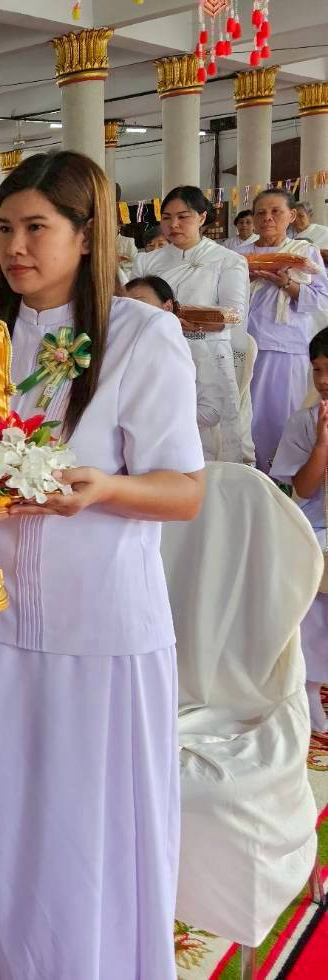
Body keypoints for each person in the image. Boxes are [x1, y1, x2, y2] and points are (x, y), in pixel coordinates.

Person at [0, 150, 205, 979]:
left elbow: (184, 492)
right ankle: (27, 959)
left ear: (86, 235)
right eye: (3, 229)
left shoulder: (140, 335)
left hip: (96, 621)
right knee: (5, 816)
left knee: (88, 823)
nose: (14, 247)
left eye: (35, 228)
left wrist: (102, 489)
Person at [134, 184, 250, 461]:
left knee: (214, 431)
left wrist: (188, 319)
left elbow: (234, 313)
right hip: (158, 354)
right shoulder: (147, 262)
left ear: (202, 217)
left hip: (208, 352)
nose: (173, 224)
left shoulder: (227, 260)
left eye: (183, 216)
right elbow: (133, 307)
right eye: (166, 217)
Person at [267, 327, 328, 734]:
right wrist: (322, 444)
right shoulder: (305, 422)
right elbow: (301, 490)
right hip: (318, 523)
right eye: (316, 370)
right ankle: (309, 685)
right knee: (309, 574)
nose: (322, 380)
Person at [241, 188, 328, 472]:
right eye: (260, 212)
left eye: (275, 211)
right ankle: (248, 474)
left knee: (279, 417)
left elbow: (322, 299)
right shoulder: (238, 255)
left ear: (291, 216)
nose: (267, 218)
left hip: (284, 347)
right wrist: (245, 276)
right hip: (242, 346)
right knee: (244, 416)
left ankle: (280, 478)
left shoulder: (304, 252)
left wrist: (287, 284)